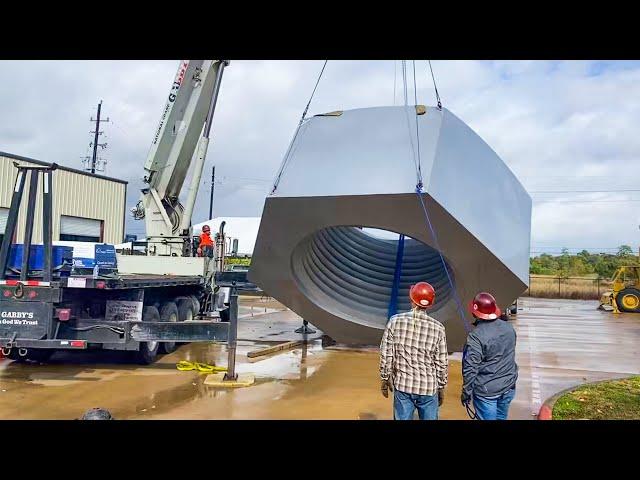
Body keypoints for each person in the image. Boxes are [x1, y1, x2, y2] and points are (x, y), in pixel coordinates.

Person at [379, 281, 448, 420]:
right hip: (428, 388)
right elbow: (442, 362)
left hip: (403, 386)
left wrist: (385, 379)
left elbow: (386, 355)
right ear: (430, 304)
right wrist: (441, 386)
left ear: (411, 299)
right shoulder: (438, 328)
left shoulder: (395, 321)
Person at [461, 292, 518, 420]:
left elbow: (470, 368)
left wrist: (466, 392)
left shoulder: (476, 337)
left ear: (475, 312)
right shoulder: (509, 329)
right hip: (508, 386)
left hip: (487, 392)